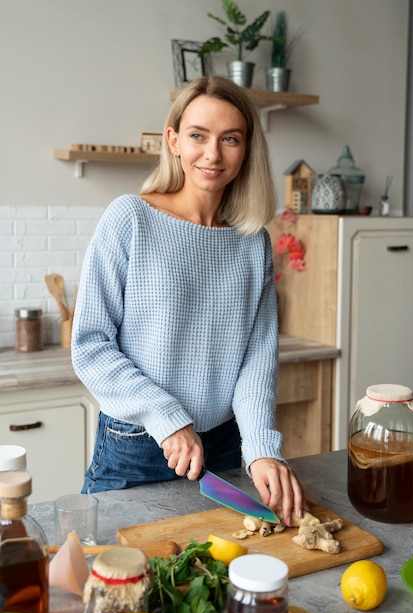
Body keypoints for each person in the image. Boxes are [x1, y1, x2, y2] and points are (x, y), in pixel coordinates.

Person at [71, 76, 306, 525]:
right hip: (138, 445)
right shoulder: (131, 219)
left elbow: (256, 357)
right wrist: (167, 418)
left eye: (230, 139)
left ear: (246, 149)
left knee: (213, 580)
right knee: (115, 583)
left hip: (223, 448)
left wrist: (260, 449)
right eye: (198, 136)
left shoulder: (252, 241)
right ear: (174, 141)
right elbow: (91, 346)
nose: (213, 154)